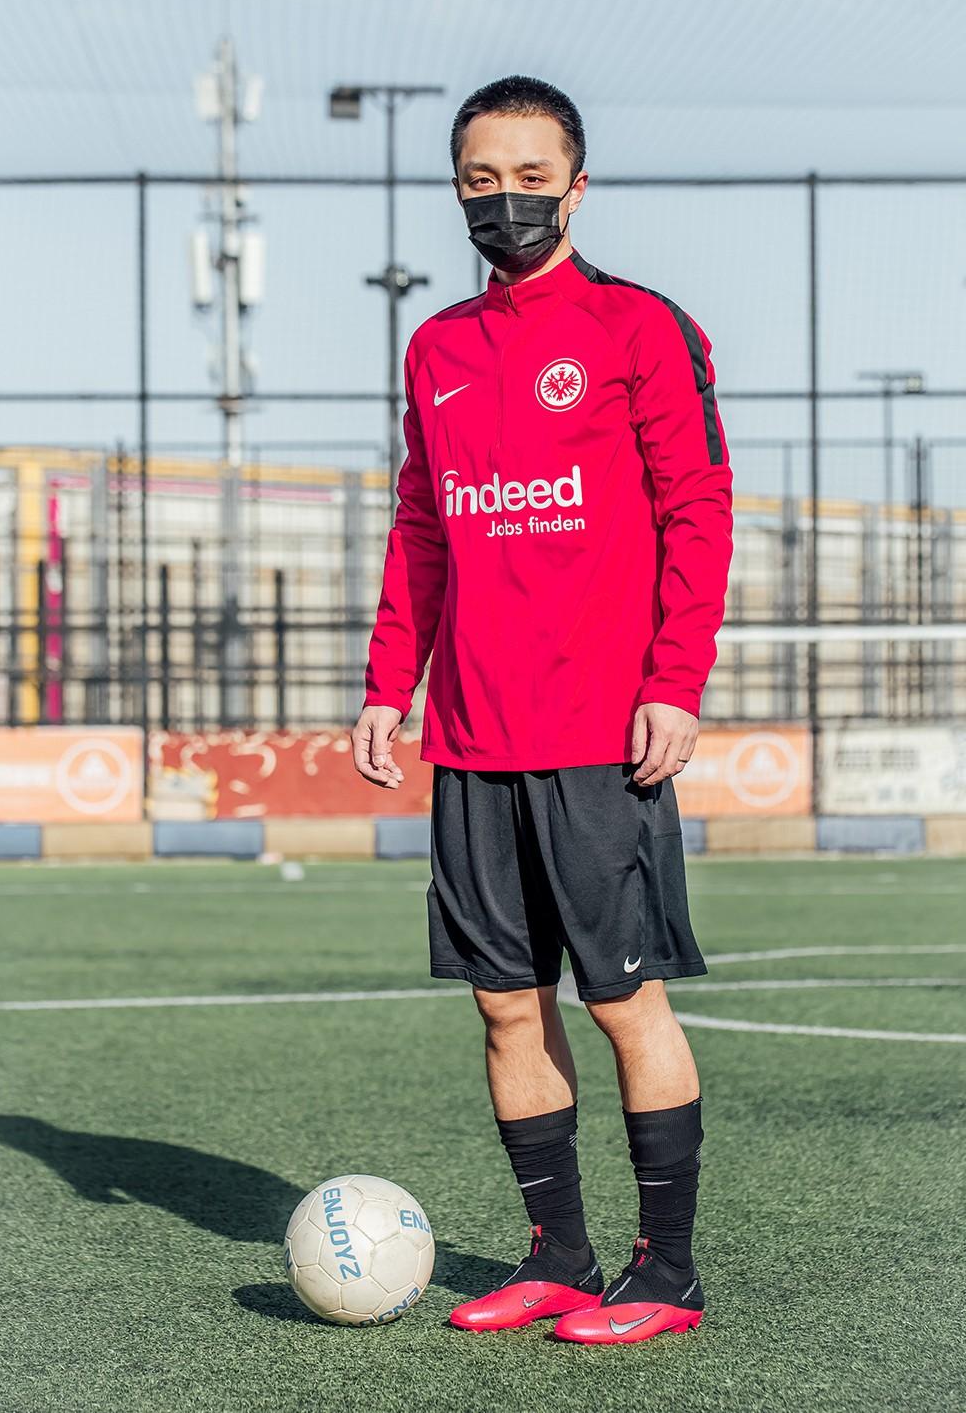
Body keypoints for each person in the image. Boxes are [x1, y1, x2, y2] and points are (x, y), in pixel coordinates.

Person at [351, 74, 733, 1346]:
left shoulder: (639, 327)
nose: (503, 200)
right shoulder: (437, 348)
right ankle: (559, 1258)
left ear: (575, 187)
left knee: (623, 1002)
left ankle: (667, 1274)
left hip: (599, 735)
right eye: (480, 179)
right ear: (457, 189)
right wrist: (389, 683)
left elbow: (698, 509)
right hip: (472, 735)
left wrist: (673, 679)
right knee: (506, 1004)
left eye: (528, 177)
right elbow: (422, 528)